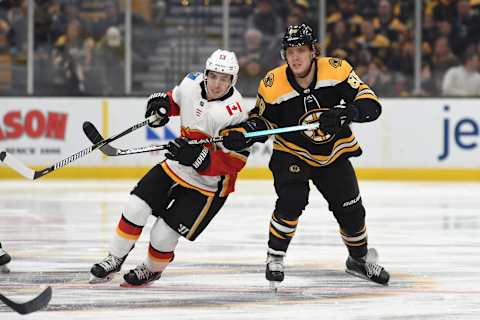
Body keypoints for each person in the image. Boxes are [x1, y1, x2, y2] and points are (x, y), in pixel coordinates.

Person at [222, 24, 390, 286]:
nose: (296, 57)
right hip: (292, 153)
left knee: (352, 211)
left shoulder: (337, 70)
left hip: (333, 153)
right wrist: (243, 132)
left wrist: (349, 113)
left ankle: (358, 259)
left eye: (301, 50)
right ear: (284, 55)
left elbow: (371, 104)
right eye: (290, 52)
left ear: (314, 51)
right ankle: (275, 256)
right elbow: (263, 123)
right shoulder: (272, 84)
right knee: (292, 200)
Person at [89, 49, 251, 287]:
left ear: (233, 81)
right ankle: (114, 257)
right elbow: (174, 100)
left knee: (163, 234)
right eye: (214, 76)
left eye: (225, 79)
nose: (218, 84)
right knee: (135, 206)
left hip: (208, 186)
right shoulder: (190, 84)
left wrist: (199, 159)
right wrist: (161, 106)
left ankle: (152, 270)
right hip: (175, 166)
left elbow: (234, 163)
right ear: (206, 73)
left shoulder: (235, 113)